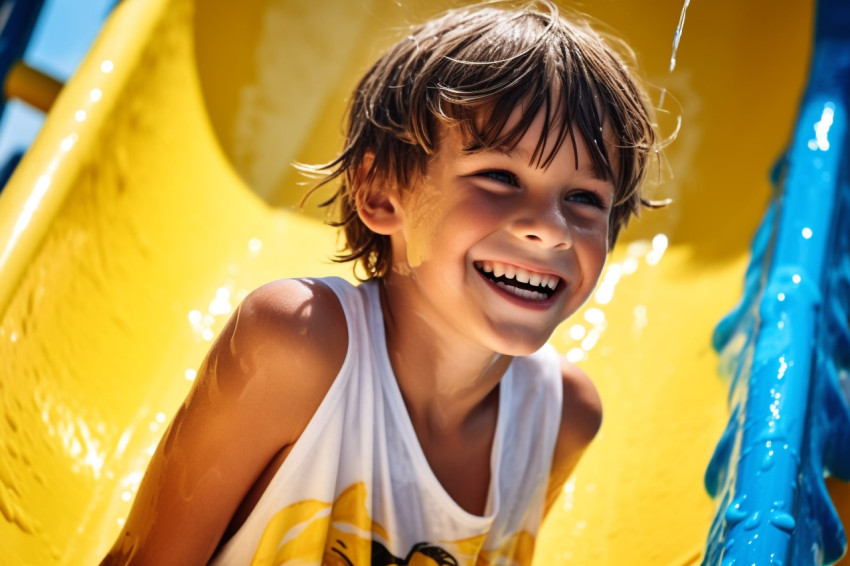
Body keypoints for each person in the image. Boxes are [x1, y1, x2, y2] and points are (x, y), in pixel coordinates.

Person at [101, 1, 661, 564]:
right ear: (380, 192)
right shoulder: (297, 347)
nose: (550, 228)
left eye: (584, 198)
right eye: (498, 176)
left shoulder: (564, 417)